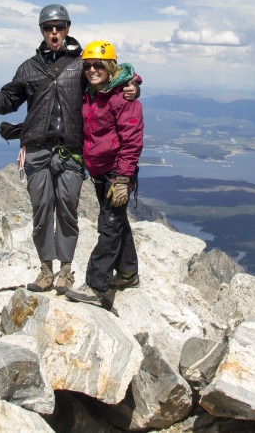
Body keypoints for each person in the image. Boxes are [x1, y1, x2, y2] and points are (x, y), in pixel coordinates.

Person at [0, 5, 137, 295]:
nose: (54, 32)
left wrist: (134, 86)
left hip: (70, 151)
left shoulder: (82, 64)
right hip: (37, 151)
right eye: (48, 28)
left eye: (59, 26)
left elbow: (111, 77)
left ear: (67, 28)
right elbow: (7, 100)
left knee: (67, 212)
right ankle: (46, 269)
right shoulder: (29, 68)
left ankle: (65, 271)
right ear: (41, 31)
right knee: (41, 210)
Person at [65, 40, 143, 310]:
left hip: (116, 173)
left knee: (108, 226)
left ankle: (97, 285)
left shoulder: (123, 97)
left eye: (99, 65)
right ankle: (128, 273)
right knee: (117, 222)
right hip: (100, 171)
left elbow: (132, 142)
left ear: (111, 67)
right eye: (88, 66)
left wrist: (123, 179)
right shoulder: (90, 92)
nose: (92, 70)